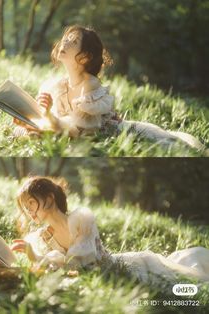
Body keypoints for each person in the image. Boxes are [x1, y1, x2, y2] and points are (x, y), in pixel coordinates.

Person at [14, 25, 206, 150]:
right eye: (66, 39)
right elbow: (57, 122)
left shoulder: (90, 84)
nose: (64, 42)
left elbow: (76, 130)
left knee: (168, 143)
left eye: (73, 42)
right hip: (75, 129)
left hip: (117, 130)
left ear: (86, 56)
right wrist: (30, 118)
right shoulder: (56, 85)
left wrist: (47, 117)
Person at [11, 176, 209, 287]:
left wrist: (38, 257)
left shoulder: (81, 218)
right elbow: (54, 270)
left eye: (30, 203)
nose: (29, 211)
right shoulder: (41, 238)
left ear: (50, 198)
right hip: (101, 283)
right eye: (24, 208)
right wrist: (34, 256)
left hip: (126, 269)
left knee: (190, 278)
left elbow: (83, 262)